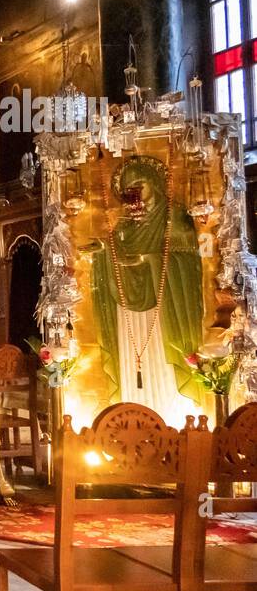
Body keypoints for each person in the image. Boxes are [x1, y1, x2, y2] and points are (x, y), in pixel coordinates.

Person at [91, 155, 205, 416]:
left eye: (138, 186)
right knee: (133, 361)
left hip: (166, 307)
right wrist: (102, 250)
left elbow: (189, 259)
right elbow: (115, 249)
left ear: (154, 182)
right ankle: (133, 415)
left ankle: (173, 418)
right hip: (128, 310)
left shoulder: (174, 216)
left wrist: (147, 259)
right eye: (127, 191)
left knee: (161, 360)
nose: (133, 196)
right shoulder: (125, 223)